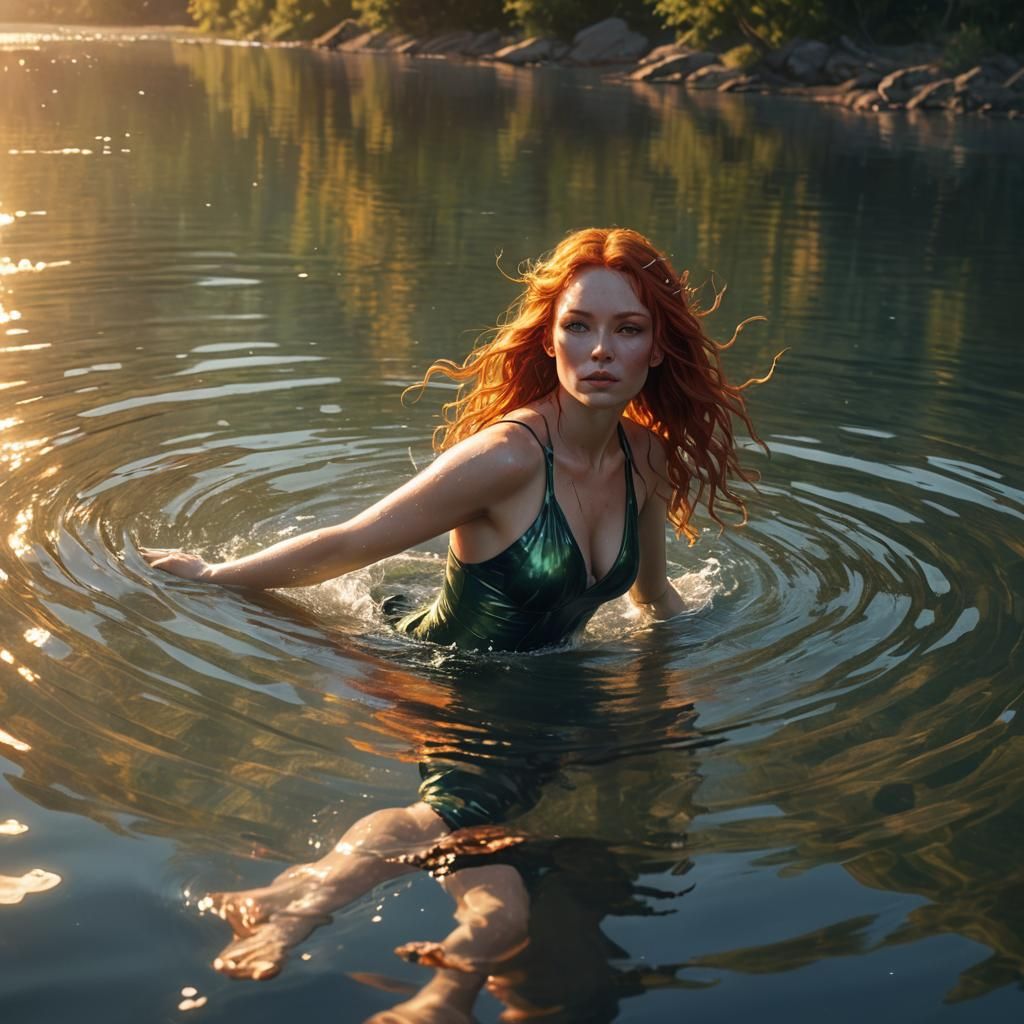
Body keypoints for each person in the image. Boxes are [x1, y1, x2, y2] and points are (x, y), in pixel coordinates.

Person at [141, 227, 775, 1017]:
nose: (600, 349)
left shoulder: (646, 458)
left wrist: (693, 681)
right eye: (578, 325)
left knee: (516, 875)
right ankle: (301, 907)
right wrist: (213, 577)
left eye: (628, 328)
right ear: (550, 340)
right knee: (451, 810)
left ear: (658, 349)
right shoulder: (505, 459)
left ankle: (446, 984)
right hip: (446, 674)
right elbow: (352, 540)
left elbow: (653, 600)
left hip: (548, 698)